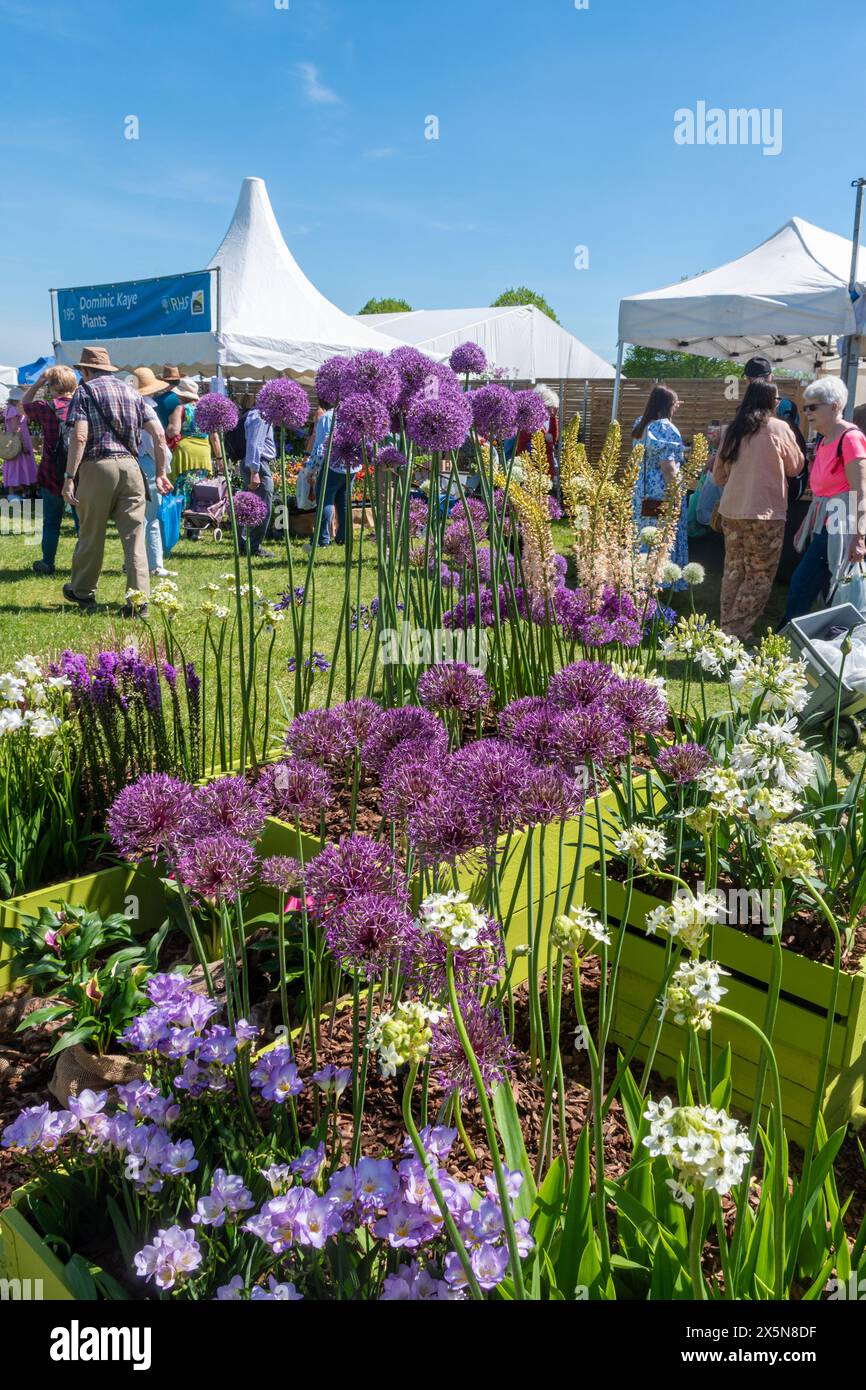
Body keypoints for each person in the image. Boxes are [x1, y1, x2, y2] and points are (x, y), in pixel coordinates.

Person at [61, 346, 172, 615]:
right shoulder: (132, 392)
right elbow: (158, 435)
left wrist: (68, 477)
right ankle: (138, 602)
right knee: (135, 537)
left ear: (85, 370)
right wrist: (160, 473)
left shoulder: (84, 392)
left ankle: (83, 592)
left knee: (91, 532)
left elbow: (79, 437)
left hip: (97, 467)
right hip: (132, 468)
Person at [711, 382, 803, 641]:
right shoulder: (779, 428)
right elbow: (796, 467)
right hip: (766, 514)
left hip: (732, 512)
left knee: (734, 571)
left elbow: (718, 476)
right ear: (770, 401)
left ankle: (726, 628)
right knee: (759, 575)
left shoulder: (732, 431)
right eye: (777, 398)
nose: (779, 401)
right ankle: (736, 632)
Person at [784, 376, 866, 623]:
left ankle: (784, 641)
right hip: (824, 520)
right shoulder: (825, 440)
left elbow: (861, 490)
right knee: (820, 586)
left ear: (834, 405)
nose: (807, 412)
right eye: (805, 407)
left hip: (840, 522)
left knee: (804, 583)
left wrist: (859, 536)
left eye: (813, 406)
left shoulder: (850, 438)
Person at [20, 366, 79, 574]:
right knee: (83, 523)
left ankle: (47, 562)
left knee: (51, 521)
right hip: (79, 471)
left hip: (51, 471)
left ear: (52, 385)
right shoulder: (83, 406)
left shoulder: (46, 407)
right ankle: (83, 566)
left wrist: (38, 383)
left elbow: (24, 405)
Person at [631, 385, 688, 582]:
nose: (676, 409)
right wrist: (678, 494)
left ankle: (638, 576)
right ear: (668, 405)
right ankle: (660, 580)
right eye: (675, 405)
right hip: (662, 491)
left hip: (641, 489)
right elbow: (668, 468)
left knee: (642, 532)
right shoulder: (666, 428)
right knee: (663, 534)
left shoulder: (640, 423)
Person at [123, 372, 174, 579]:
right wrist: (164, 469)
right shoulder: (146, 409)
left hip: (129, 463)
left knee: (136, 518)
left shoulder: (126, 409)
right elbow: (157, 444)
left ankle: (135, 562)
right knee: (149, 517)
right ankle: (151, 564)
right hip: (147, 464)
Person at [241, 389, 276, 557]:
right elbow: (255, 444)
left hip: (255, 463)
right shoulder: (261, 416)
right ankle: (253, 547)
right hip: (258, 464)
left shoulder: (257, 414)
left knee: (248, 505)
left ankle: (244, 545)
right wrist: (255, 471)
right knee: (263, 507)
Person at [172, 378, 216, 475]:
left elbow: (173, 431)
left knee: (182, 486)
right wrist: (219, 458)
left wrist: (169, 425)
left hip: (185, 452)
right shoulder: (207, 410)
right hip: (204, 452)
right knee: (201, 486)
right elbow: (214, 437)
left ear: (180, 394)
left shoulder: (181, 408)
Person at [515, 384, 559, 476]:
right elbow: (522, 449)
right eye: (548, 408)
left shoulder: (549, 419)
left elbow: (553, 440)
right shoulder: (528, 424)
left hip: (546, 468)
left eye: (552, 409)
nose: (550, 412)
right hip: (532, 471)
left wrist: (553, 417)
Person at [1, 386, 38, 493]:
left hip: (14, 441)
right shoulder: (13, 410)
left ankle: (20, 490)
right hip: (18, 441)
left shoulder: (10, 409)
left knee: (16, 464)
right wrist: (23, 445)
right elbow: (16, 428)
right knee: (17, 464)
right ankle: (15, 491)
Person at [150, 365, 182, 443]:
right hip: (185, 440)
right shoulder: (185, 399)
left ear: (164, 382)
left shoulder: (156, 400)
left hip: (166, 440)